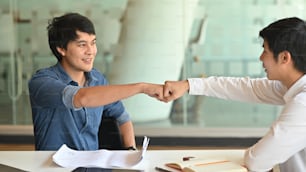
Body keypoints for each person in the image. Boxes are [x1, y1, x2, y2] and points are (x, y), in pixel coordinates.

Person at [162, 17, 306, 172]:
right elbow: (246, 88)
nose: (261, 58)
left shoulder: (303, 103)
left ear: (285, 57)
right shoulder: (292, 87)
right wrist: (187, 85)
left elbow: (257, 161)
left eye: (265, 51)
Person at [28, 13, 163, 151]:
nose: (91, 51)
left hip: (93, 166)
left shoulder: (98, 80)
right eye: (82, 45)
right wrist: (142, 87)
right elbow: (82, 97)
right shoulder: (42, 82)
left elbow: (122, 117)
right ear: (61, 49)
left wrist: (130, 152)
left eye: (93, 43)